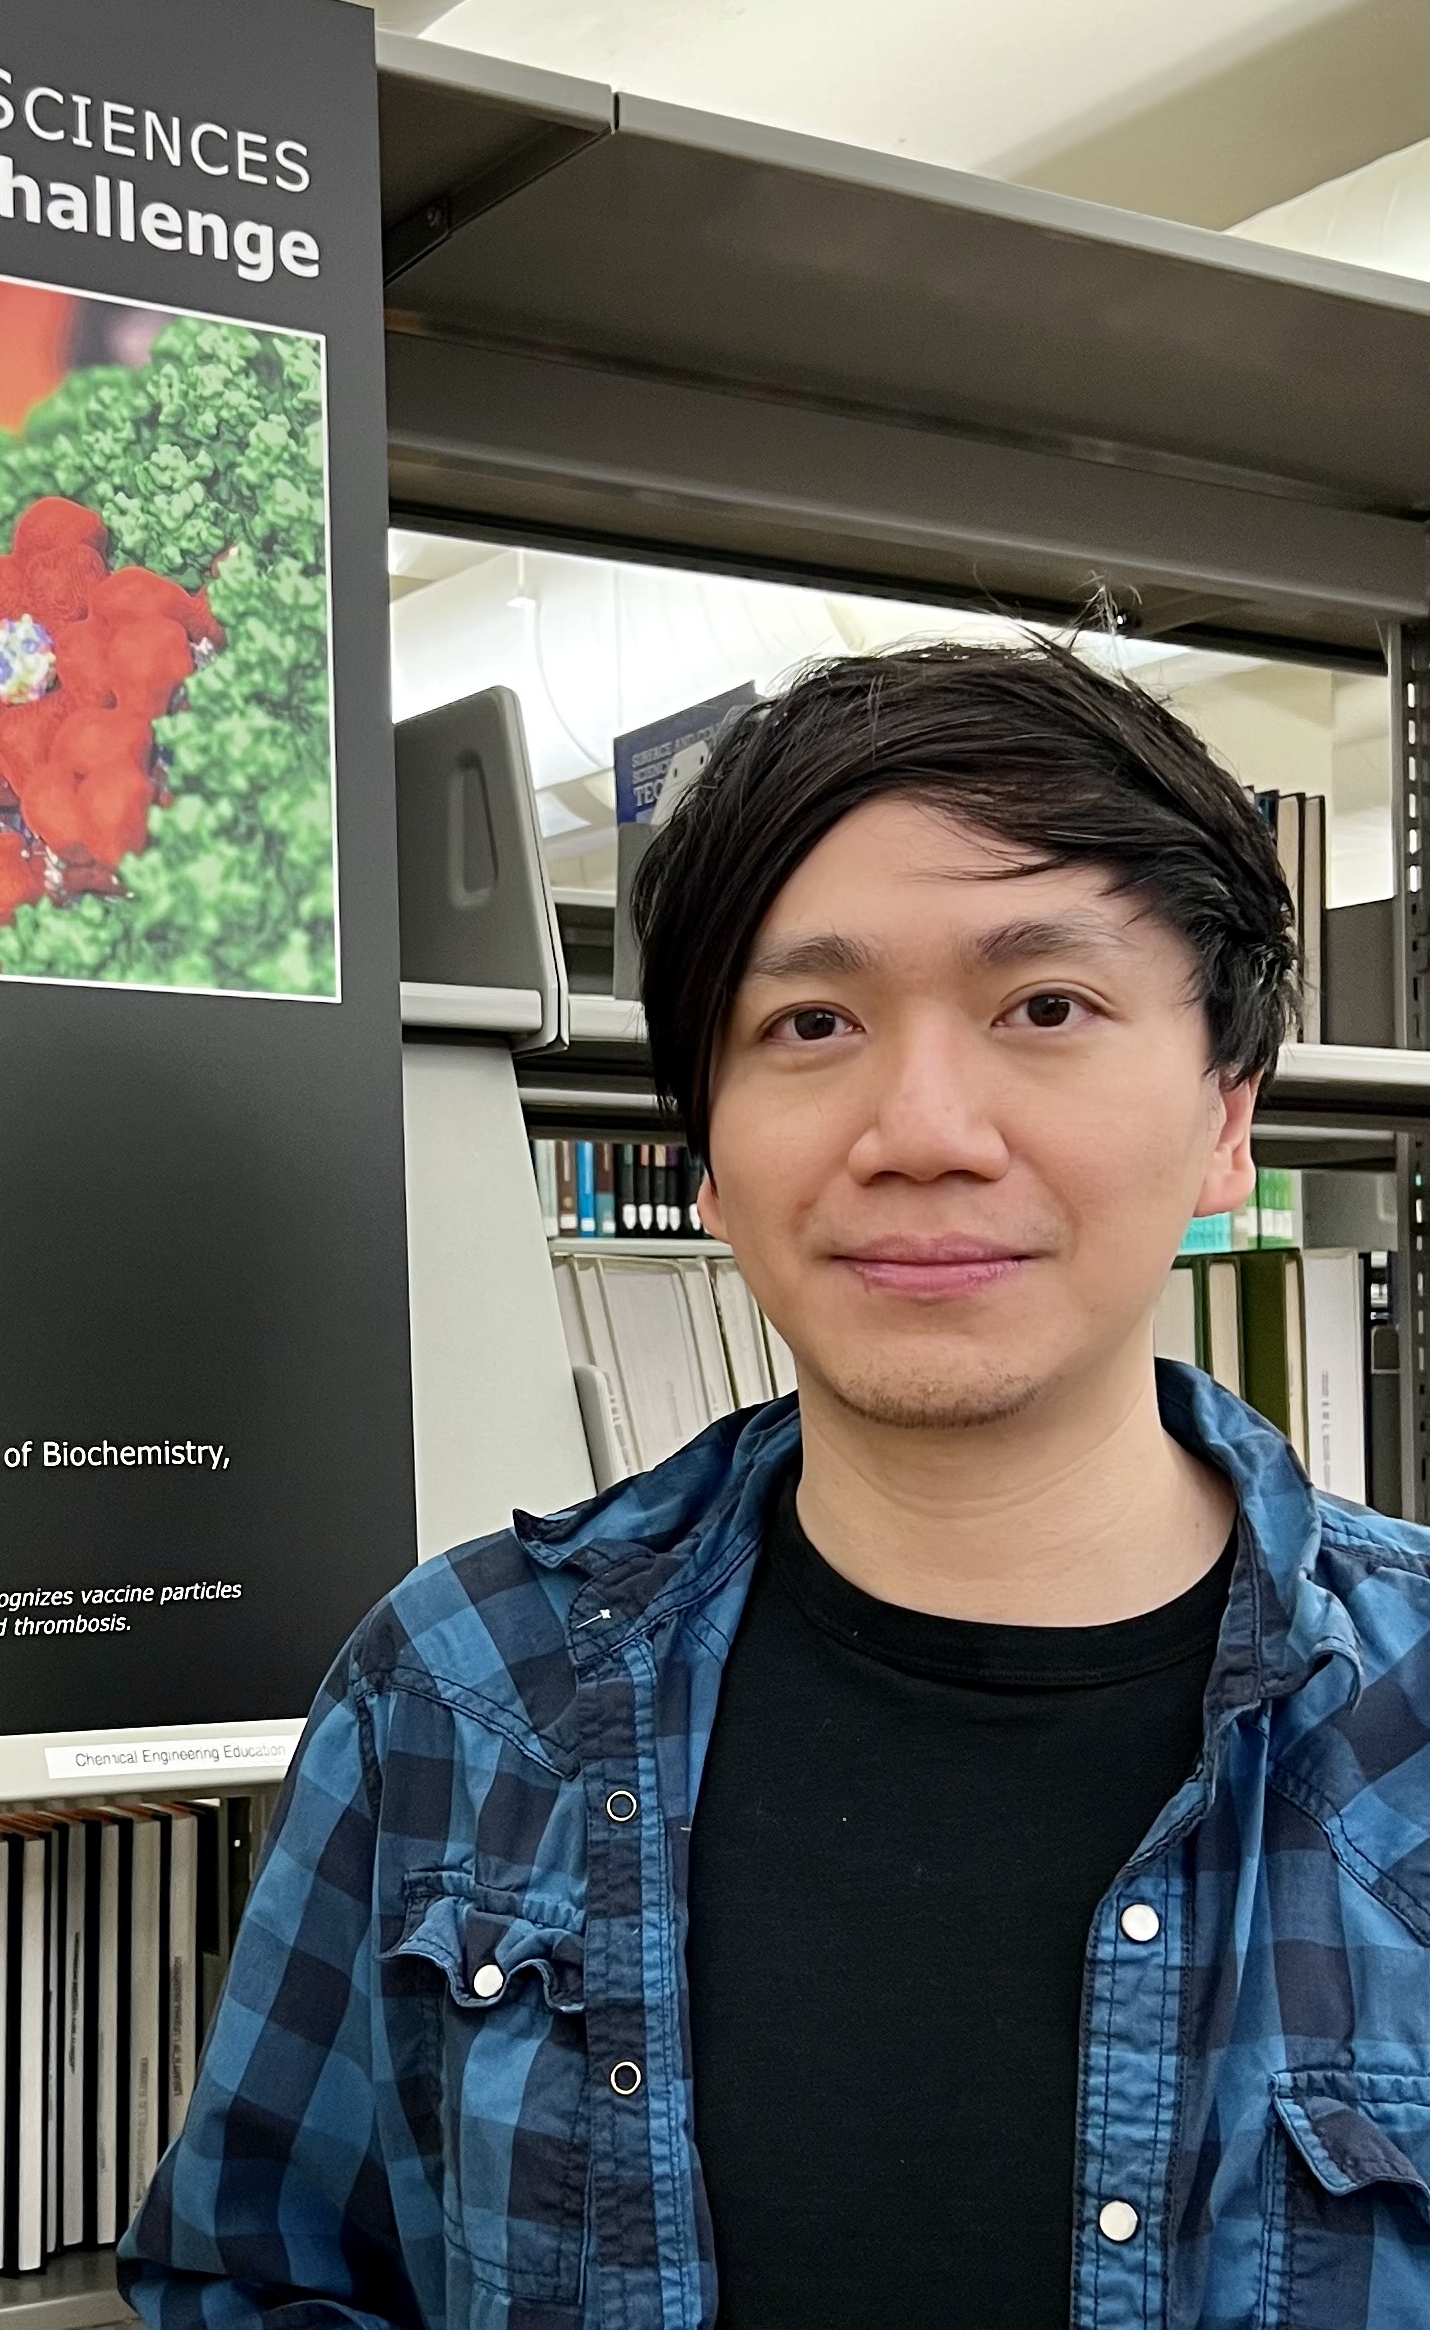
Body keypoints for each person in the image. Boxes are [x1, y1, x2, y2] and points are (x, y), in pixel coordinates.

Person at [121, 641, 1430, 2330]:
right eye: (811, 1022)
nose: (925, 1126)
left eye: (1047, 1006)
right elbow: (260, 2281)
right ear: (707, 1150)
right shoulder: (457, 1697)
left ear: (1227, 1119)